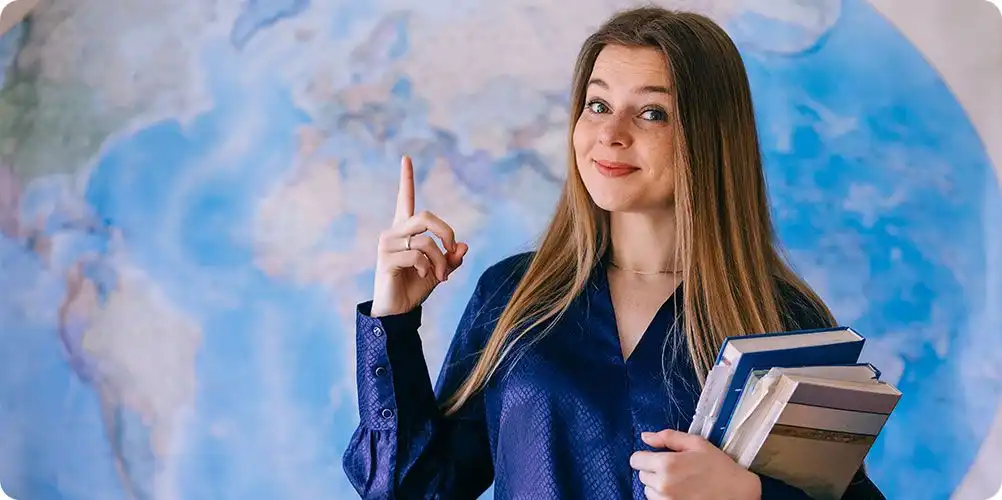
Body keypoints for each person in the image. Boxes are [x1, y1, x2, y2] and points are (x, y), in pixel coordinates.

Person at [342, 6, 886, 500]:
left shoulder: (782, 321)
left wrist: (751, 494)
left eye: (652, 113)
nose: (610, 134)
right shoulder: (511, 298)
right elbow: (414, 491)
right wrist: (393, 322)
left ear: (710, 136)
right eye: (598, 104)